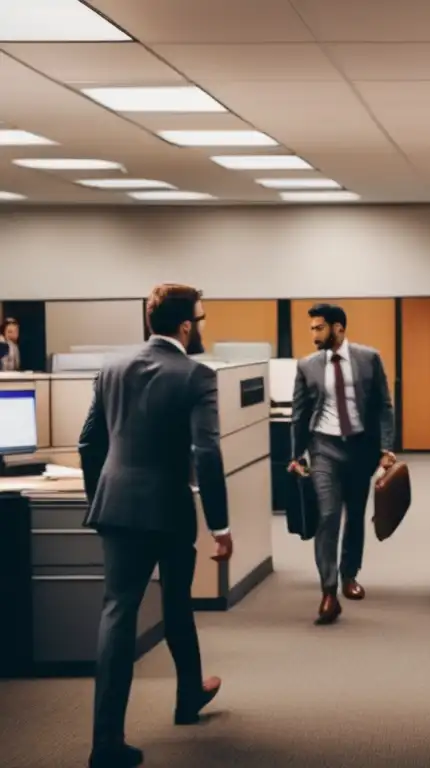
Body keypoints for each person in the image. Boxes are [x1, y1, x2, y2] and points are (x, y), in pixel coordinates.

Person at [79, 284, 233, 768]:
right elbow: (206, 454)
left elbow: (89, 444)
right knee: (176, 602)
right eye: (202, 320)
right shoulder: (196, 375)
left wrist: (103, 497)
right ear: (186, 326)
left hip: (118, 508)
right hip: (168, 509)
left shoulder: (112, 367)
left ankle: (108, 741)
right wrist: (221, 525)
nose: (203, 328)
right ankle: (187, 697)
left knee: (117, 614)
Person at [288, 303, 396, 625]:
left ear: (338, 328)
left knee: (356, 515)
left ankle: (350, 574)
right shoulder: (306, 366)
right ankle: (329, 590)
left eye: (318, 328)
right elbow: (299, 413)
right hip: (324, 448)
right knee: (328, 515)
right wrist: (295, 455)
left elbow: (384, 406)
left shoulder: (369, 358)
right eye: (311, 328)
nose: (313, 335)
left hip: (361, 447)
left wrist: (387, 447)